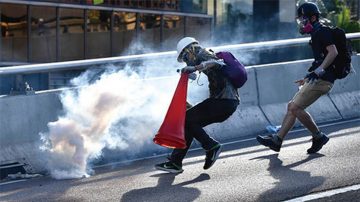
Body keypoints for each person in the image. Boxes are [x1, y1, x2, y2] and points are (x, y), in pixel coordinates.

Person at [257, 2, 339, 154]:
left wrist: (319, 71)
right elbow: (320, 59)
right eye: (300, 19)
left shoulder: (322, 32)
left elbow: (333, 52)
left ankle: (318, 136)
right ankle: (277, 140)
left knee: (295, 107)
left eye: (304, 19)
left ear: (314, 17)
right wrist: (308, 77)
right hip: (318, 78)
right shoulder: (315, 34)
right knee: (292, 107)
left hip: (324, 79)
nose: (302, 22)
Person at [155, 37, 240, 173]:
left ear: (189, 50)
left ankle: (211, 146)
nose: (185, 60)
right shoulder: (200, 57)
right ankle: (175, 162)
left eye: (184, 57)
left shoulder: (203, 53)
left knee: (187, 119)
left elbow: (216, 63)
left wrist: (194, 67)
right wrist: (192, 72)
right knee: (188, 123)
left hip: (224, 101)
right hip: (225, 102)